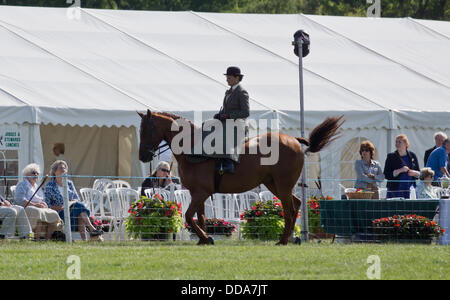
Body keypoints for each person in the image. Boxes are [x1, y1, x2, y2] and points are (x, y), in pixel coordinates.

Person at [44, 160, 102, 241]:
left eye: (65, 168)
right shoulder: (49, 185)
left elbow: (77, 199)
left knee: (79, 210)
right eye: (61, 168)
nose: (64, 170)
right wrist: (62, 207)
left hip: (72, 211)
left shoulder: (69, 183)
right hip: (60, 213)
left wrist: (70, 203)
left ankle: (85, 239)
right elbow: (47, 205)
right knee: (79, 209)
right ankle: (92, 229)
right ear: (54, 171)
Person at [212, 66, 249, 174]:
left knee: (224, 137)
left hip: (238, 125)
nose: (227, 79)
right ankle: (217, 162)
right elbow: (226, 109)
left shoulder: (242, 92)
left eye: (229, 77)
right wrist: (219, 115)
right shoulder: (229, 92)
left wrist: (229, 116)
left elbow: (245, 112)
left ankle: (229, 164)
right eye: (227, 77)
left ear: (237, 78)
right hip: (227, 124)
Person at [15, 163, 61, 240]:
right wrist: (35, 205)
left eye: (37, 173)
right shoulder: (22, 185)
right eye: (33, 173)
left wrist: (44, 204)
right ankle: (36, 239)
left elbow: (42, 198)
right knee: (38, 212)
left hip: (38, 207)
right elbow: (21, 200)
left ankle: (47, 239)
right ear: (27, 174)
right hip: (25, 208)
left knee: (53, 213)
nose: (36, 174)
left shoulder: (37, 186)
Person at [383, 134, 420, 199]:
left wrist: (414, 173)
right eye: (396, 142)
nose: (397, 144)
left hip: (410, 189)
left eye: (399, 142)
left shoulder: (412, 155)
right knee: (395, 207)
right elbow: (386, 174)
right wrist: (400, 170)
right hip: (395, 189)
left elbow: (419, 173)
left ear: (406, 143)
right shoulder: (391, 156)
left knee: (409, 207)